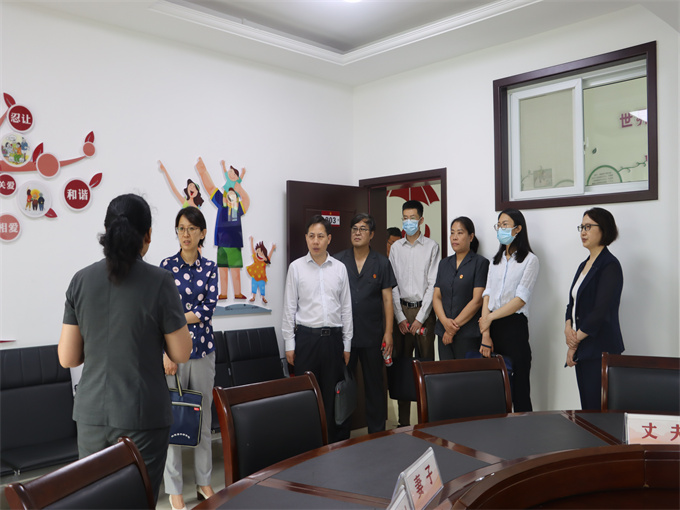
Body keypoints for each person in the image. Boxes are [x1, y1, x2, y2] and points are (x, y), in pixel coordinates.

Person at [58, 194, 192, 503]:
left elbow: (68, 357)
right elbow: (181, 353)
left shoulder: (81, 280)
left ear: (107, 231)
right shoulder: (160, 281)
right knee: (136, 501)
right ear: (148, 235)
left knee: (95, 502)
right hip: (143, 416)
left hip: (91, 416)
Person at [160, 206, 218, 510]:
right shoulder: (165, 267)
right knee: (173, 421)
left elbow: (208, 309)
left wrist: (176, 317)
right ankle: (174, 489)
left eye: (192, 229)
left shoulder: (210, 268)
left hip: (203, 352)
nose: (186, 234)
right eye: (181, 228)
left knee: (202, 420)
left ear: (202, 233)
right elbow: (159, 313)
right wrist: (165, 352)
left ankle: (204, 482)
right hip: (173, 354)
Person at [282, 215, 353, 442]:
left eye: (320, 236)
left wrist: (347, 343)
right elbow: (289, 307)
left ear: (329, 239)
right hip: (306, 339)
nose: (315, 241)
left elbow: (346, 308)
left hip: (333, 340)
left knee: (333, 394)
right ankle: (309, 445)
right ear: (306, 238)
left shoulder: (340, 269)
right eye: (311, 236)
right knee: (308, 394)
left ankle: (334, 444)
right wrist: (289, 343)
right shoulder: (296, 268)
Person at [336, 213, 397, 437]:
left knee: (375, 386)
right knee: (343, 386)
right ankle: (341, 435)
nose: (357, 233)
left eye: (363, 229)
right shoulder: (338, 261)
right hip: (345, 336)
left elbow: (388, 300)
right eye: (354, 228)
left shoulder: (381, 262)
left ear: (371, 235)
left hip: (373, 334)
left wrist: (388, 332)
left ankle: (377, 434)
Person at [479, 208, 539, 412]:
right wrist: (485, 333)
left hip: (514, 328)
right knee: (495, 391)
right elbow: (487, 294)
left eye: (505, 225)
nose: (501, 229)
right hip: (492, 328)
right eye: (499, 225)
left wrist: (489, 318)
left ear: (518, 228)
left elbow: (520, 300)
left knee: (520, 392)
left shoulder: (530, 260)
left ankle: (524, 432)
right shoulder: (494, 261)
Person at [565, 207, 624, 410]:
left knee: (600, 413)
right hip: (584, 349)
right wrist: (567, 327)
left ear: (604, 229)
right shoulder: (584, 265)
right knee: (588, 410)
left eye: (588, 227)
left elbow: (601, 311)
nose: (583, 232)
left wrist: (574, 342)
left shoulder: (610, 265)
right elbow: (572, 302)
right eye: (581, 227)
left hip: (601, 349)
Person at [389, 200, 440, 426]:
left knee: (425, 365)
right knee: (402, 366)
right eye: (405, 218)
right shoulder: (396, 248)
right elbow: (391, 284)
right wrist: (400, 317)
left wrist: (420, 318)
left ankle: (425, 420)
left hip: (424, 312)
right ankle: (403, 422)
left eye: (412, 218)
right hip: (401, 312)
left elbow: (433, 284)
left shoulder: (431, 247)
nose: (408, 222)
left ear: (421, 220)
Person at [433, 217, 489, 360]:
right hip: (443, 332)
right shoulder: (444, 264)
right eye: (452, 233)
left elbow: (477, 300)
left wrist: (452, 328)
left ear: (471, 237)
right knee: (445, 372)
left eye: (460, 233)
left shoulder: (480, 263)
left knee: (467, 373)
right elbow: (437, 297)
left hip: (468, 334)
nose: (454, 237)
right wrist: (445, 322)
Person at [194, 157, 250, 300]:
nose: (230, 196)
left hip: (235, 243)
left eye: (233, 195)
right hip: (222, 242)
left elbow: (247, 200)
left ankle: (237, 292)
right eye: (228, 195)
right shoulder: (221, 203)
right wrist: (203, 172)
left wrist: (239, 189)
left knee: (235, 270)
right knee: (223, 269)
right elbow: (210, 188)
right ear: (225, 197)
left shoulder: (238, 208)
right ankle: (223, 293)